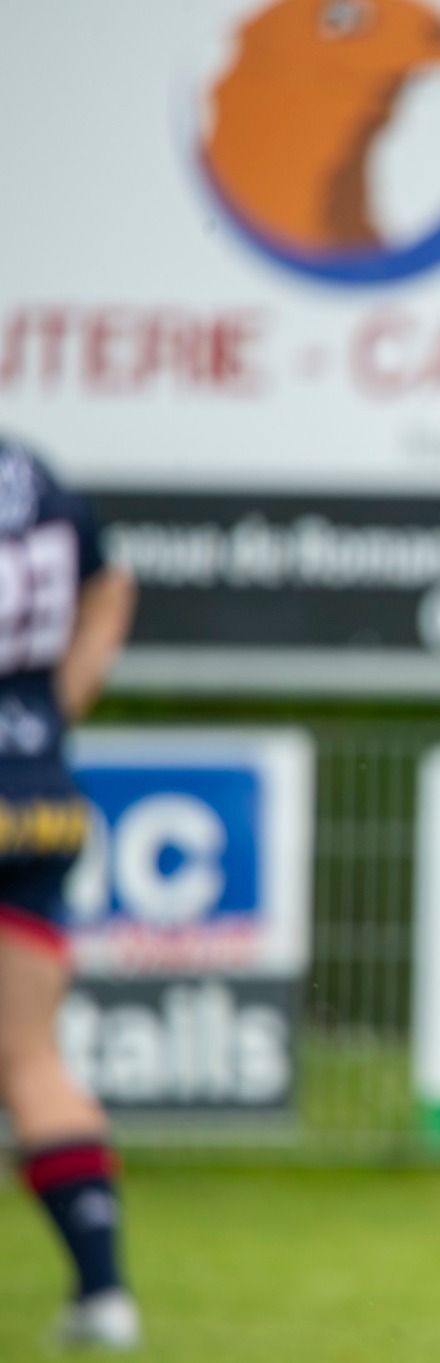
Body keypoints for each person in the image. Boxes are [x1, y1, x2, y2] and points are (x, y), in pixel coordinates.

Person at [0, 434, 140, 1350]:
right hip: (36, 796)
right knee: (27, 1056)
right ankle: (104, 1295)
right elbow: (112, 586)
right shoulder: (33, 471)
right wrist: (55, 712)